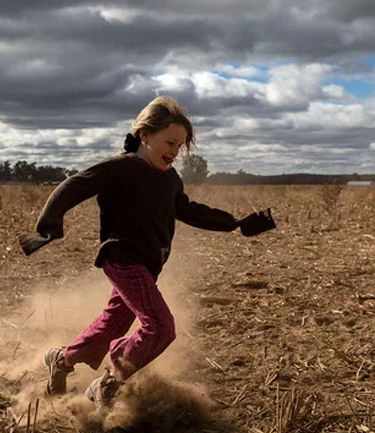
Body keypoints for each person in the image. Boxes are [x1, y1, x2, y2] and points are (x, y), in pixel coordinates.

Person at [17, 95, 275, 413]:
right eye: (169, 142)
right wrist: (48, 228)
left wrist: (234, 223)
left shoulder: (169, 179)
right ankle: (108, 384)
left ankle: (61, 360)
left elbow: (188, 210)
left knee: (112, 326)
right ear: (145, 136)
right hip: (122, 258)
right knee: (161, 327)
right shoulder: (122, 167)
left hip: (148, 264)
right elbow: (74, 186)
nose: (174, 152)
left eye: (180, 146)